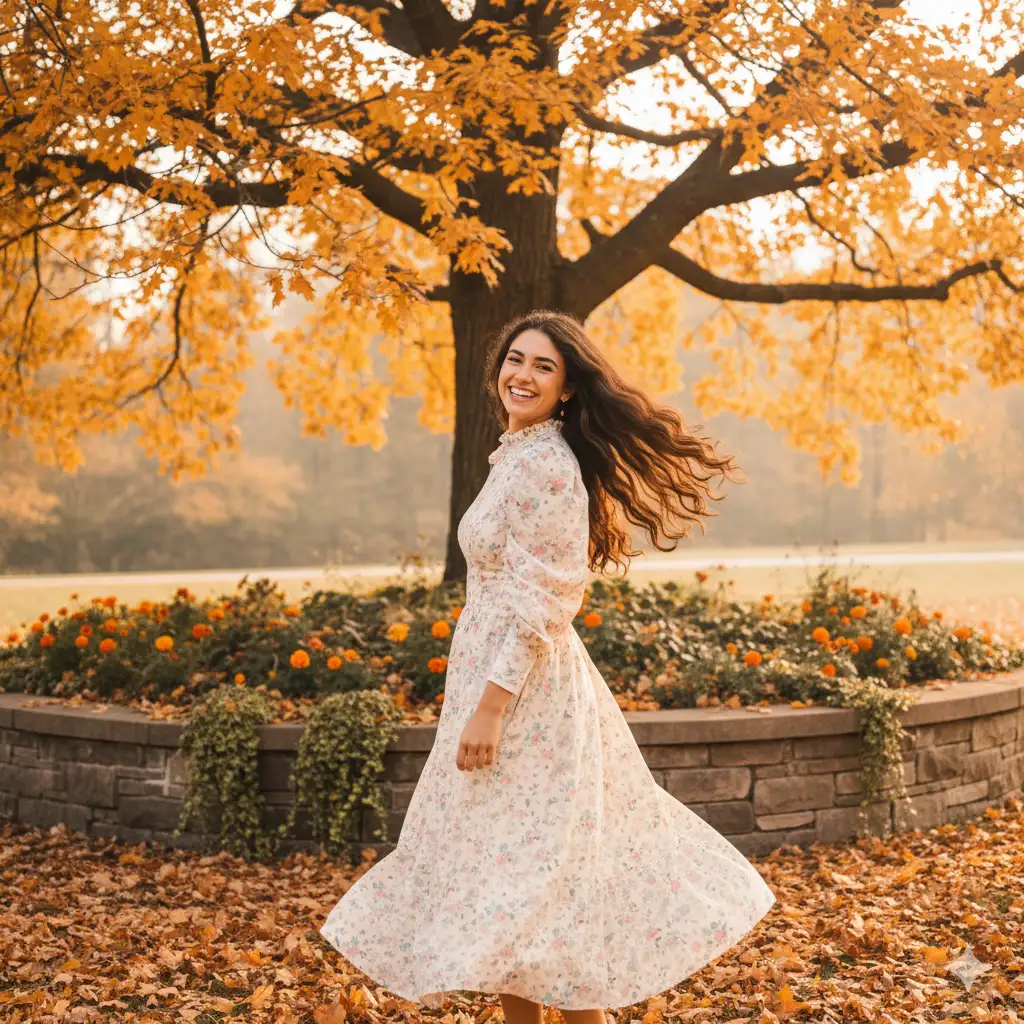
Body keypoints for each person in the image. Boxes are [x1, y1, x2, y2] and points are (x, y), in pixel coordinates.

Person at [320, 309, 777, 1024]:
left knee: (532, 908)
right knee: (515, 913)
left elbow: (550, 594)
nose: (522, 374)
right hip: (492, 678)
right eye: (515, 359)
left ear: (566, 388)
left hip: (526, 699)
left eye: (542, 366)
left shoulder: (550, 468)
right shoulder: (520, 455)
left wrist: (492, 708)